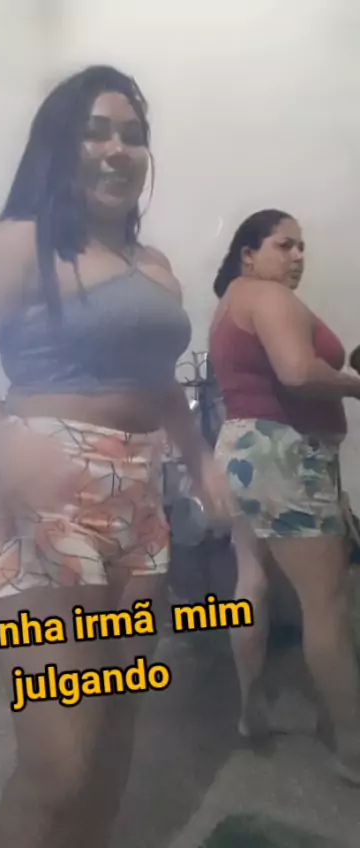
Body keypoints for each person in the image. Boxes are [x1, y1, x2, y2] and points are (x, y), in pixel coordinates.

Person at [0, 65, 231, 847]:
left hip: (140, 497)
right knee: (60, 764)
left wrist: (201, 462)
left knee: (117, 724)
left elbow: (157, 382)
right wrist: (3, 443)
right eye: (96, 131)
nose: (118, 150)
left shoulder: (155, 267)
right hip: (43, 500)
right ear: (60, 146)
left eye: (134, 135)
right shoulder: (21, 244)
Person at [208, 208, 360, 784]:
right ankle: (353, 748)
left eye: (301, 247)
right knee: (327, 603)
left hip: (243, 452)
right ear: (249, 254)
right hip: (287, 454)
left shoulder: (233, 300)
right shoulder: (268, 296)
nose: (297, 256)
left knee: (252, 582)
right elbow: (298, 372)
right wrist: (356, 387)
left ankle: (251, 712)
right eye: (284, 245)